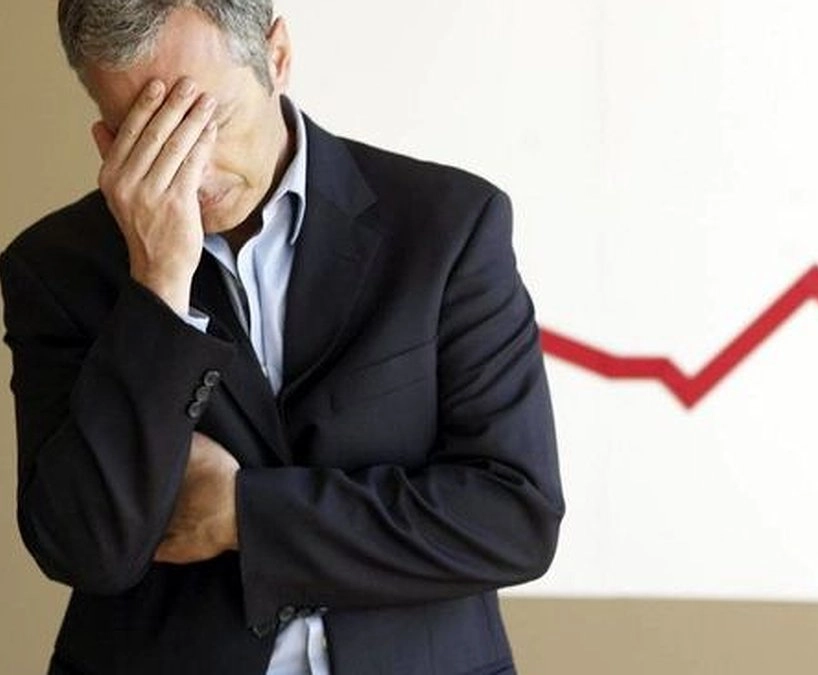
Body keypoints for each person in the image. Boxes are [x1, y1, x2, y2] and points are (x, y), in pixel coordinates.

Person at [0, 1, 564, 673]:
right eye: (143, 138)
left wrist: (245, 515)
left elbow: (514, 519)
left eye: (210, 121)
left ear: (277, 57)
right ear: (103, 132)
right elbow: (85, 548)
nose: (192, 175)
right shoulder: (54, 267)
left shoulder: (448, 227)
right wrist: (158, 285)